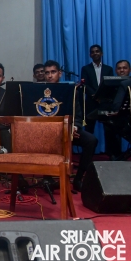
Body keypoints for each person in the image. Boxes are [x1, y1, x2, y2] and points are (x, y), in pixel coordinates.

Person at [44, 60, 98, 191]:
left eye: (53, 72)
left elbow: (78, 116)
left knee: (91, 141)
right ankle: (48, 179)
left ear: (60, 73)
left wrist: (74, 128)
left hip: (68, 130)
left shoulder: (71, 91)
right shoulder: (39, 91)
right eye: (47, 73)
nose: (50, 75)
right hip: (46, 132)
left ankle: (78, 179)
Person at [80, 45, 114, 134]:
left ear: (101, 53)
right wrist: (95, 96)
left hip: (105, 103)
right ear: (90, 55)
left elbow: (111, 85)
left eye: (97, 51)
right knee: (89, 130)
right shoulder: (86, 69)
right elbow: (85, 84)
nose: (95, 53)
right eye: (92, 52)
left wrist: (101, 96)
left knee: (109, 130)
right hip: (91, 103)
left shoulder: (108, 69)